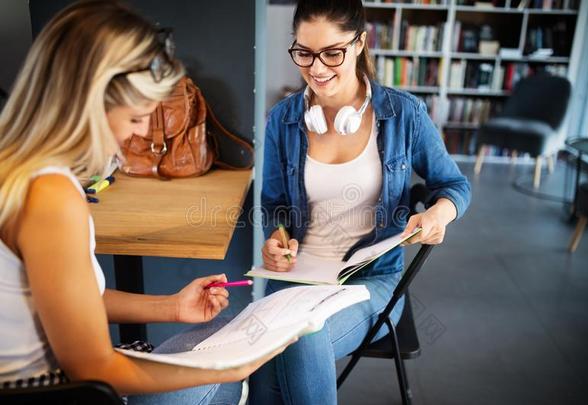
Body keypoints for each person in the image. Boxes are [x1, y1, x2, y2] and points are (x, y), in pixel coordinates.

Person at [0, 1, 291, 403]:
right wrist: (231, 370)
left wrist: (172, 307)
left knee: (215, 333)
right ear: (92, 99)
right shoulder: (50, 195)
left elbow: (71, 302)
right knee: (222, 373)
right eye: (137, 118)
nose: (135, 136)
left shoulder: (17, 165)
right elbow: (94, 370)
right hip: (55, 389)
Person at [250, 0, 471, 403]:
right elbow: (274, 203)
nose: (316, 69)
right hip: (297, 276)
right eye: (304, 53)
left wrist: (440, 212)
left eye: (332, 53)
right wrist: (277, 237)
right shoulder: (282, 119)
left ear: (359, 44)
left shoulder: (404, 114)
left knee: (299, 338)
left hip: (372, 281)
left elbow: (454, 184)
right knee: (266, 357)